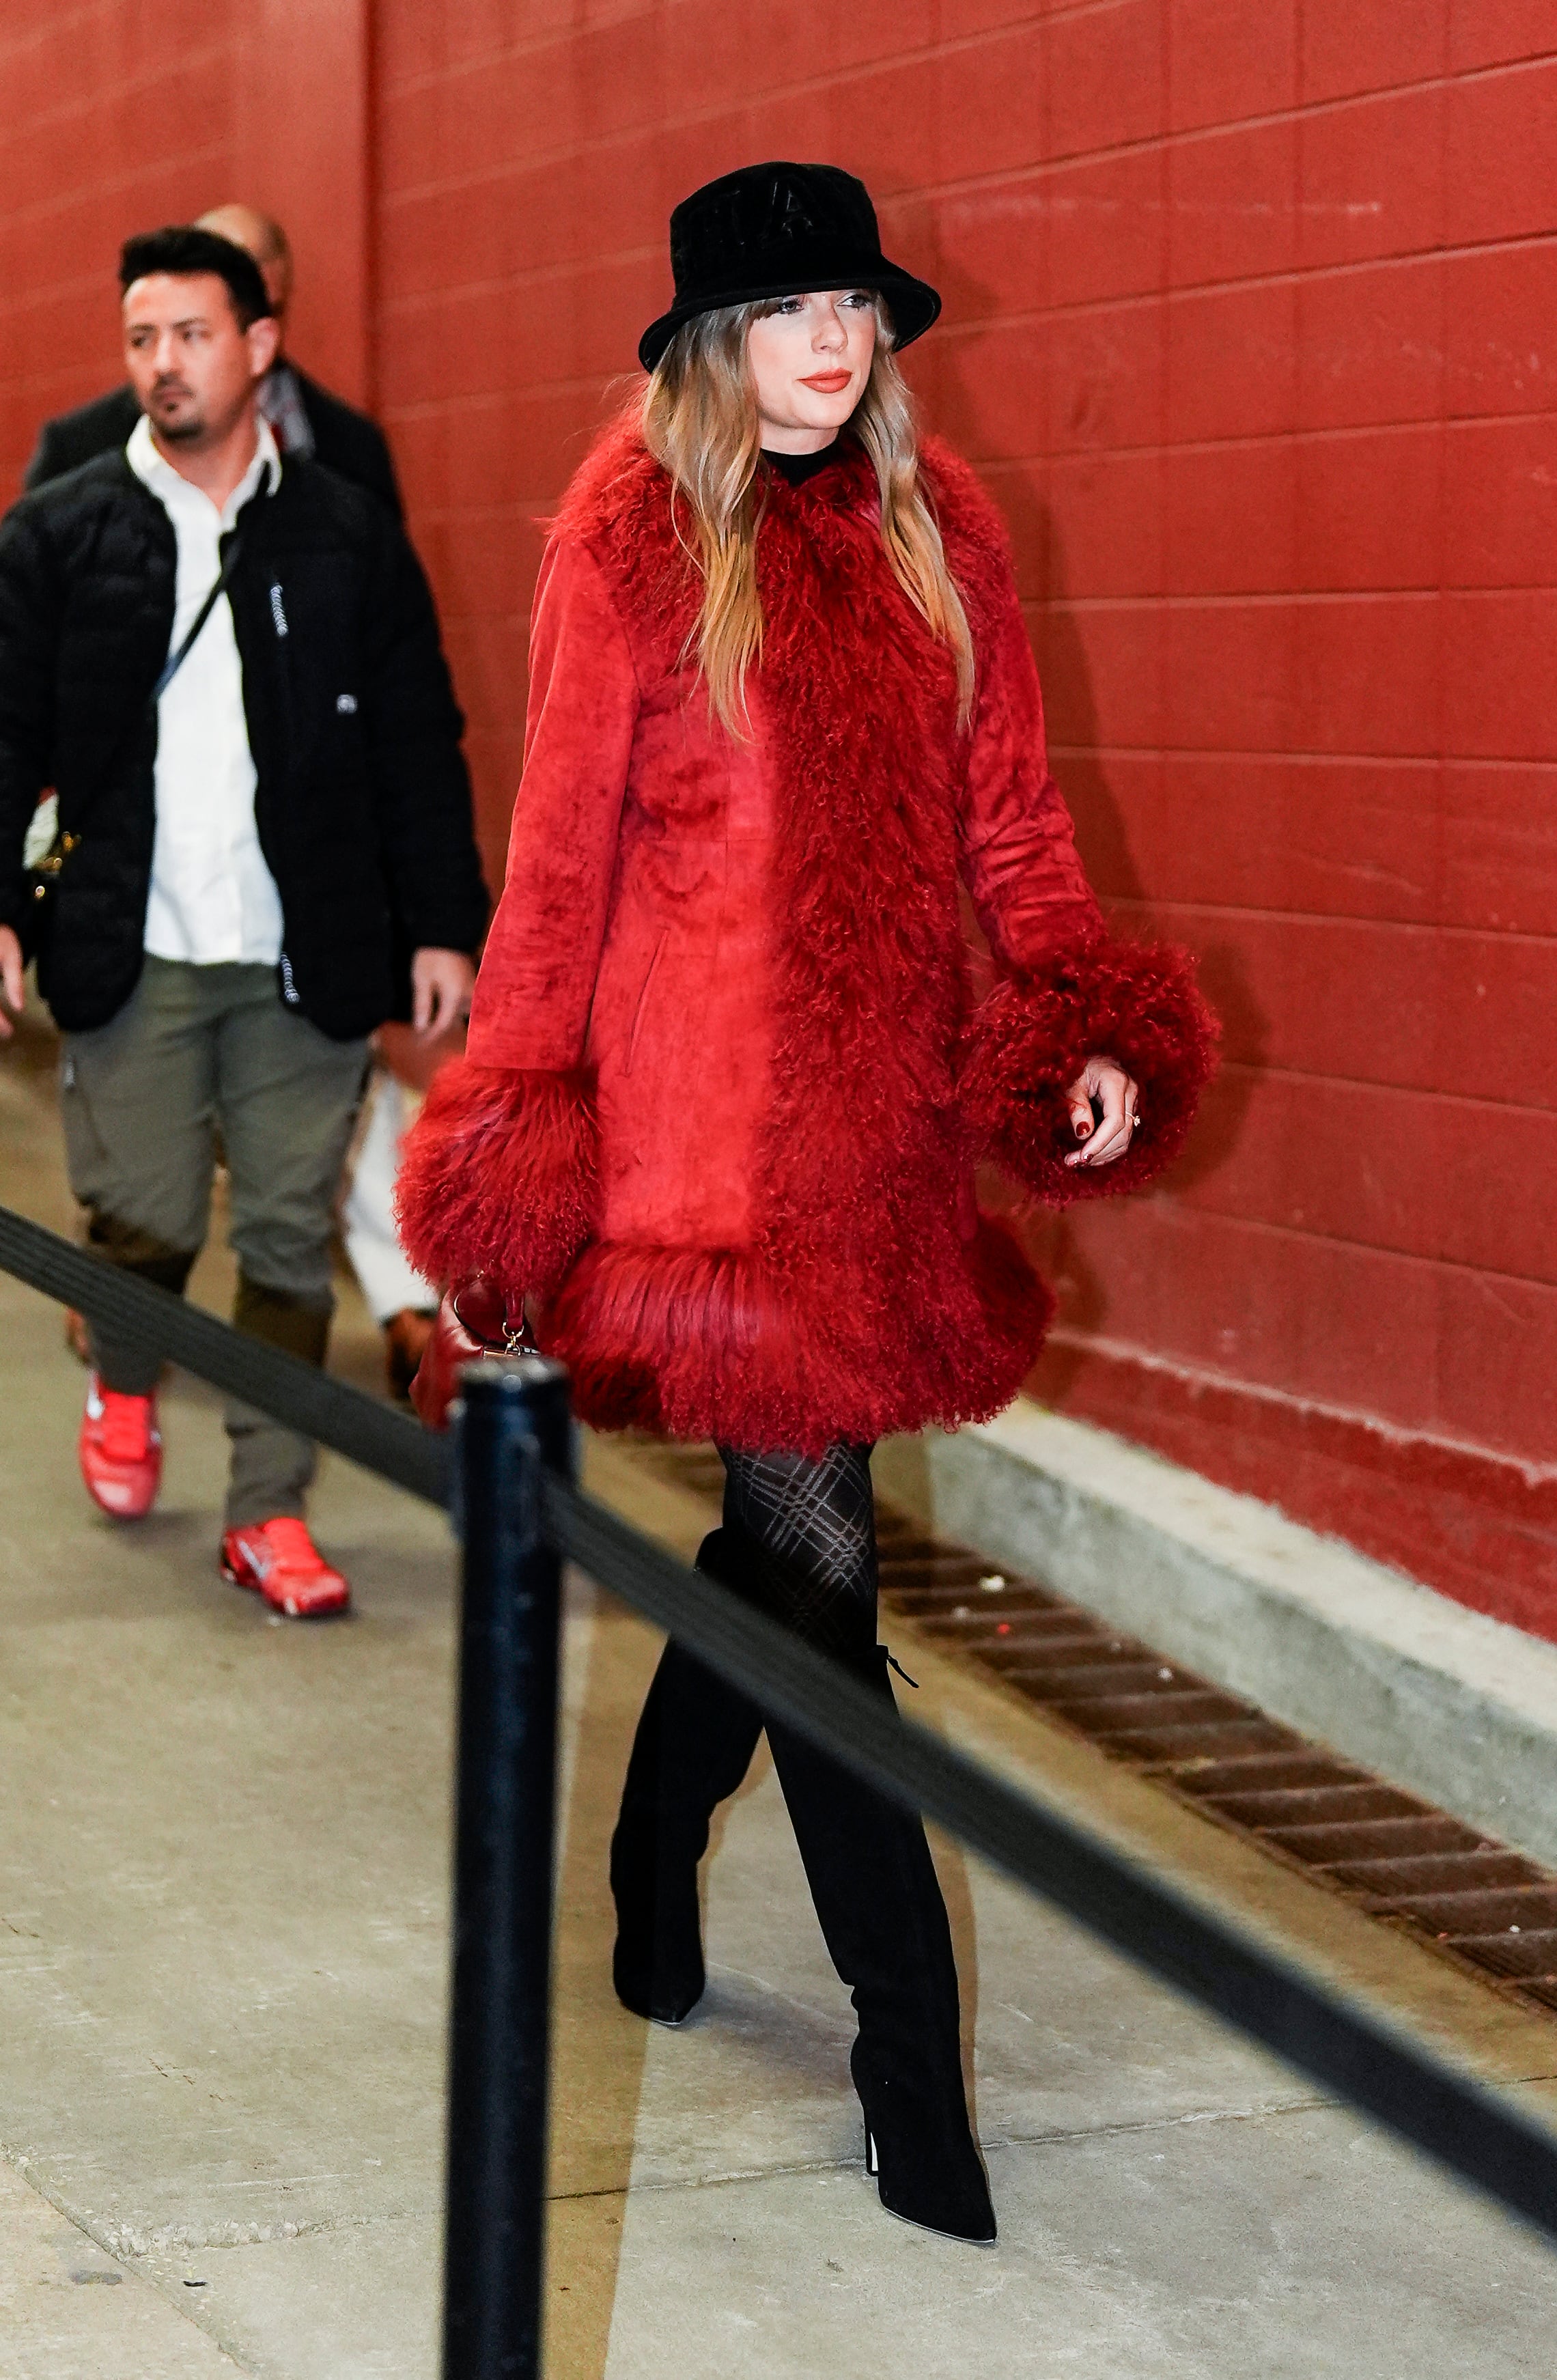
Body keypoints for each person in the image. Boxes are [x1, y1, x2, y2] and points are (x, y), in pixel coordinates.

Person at [395, 163, 1216, 2239]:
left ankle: (652, 1843)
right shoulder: (634, 538)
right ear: (706, 348)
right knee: (819, 1587)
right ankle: (906, 2075)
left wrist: (1082, 1021)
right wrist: (517, 1140)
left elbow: (1015, 827)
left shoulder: (951, 535)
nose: (830, 343)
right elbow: (556, 869)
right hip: (696, 1156)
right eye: (783, 315)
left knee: (792, 1573)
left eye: (851, 304)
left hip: (874, 1148)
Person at [0, 225, 487, 1616]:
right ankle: (127, 1375)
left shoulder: (344, 536)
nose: (163, 364)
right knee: (140, 1217)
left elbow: (417, 739)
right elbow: (3, 731)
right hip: (129, 941)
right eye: (141, 339)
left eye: (191, 335)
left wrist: (443, 921)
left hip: (302, 952)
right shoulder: (58, 532)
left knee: (284, 1235)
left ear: (259, 347)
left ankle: (268, 1509)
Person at [23, 204, 403, 518]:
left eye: (266, 307)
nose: (166, 362)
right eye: (144, 339)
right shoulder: (76, 453)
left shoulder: (351, 448)